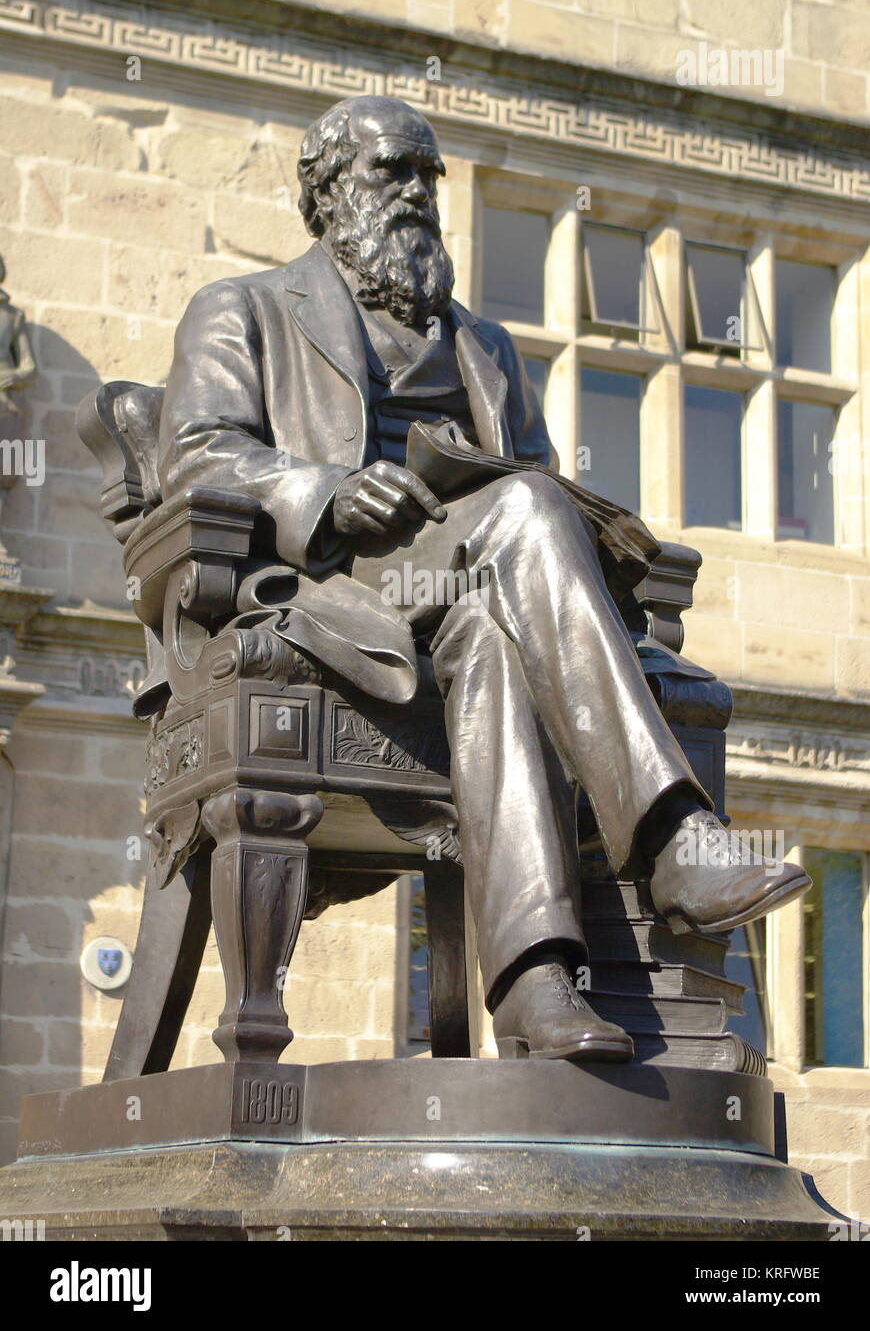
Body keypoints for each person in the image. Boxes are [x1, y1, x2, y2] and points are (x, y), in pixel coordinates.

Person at [159, 96, 809, 1063]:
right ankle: (672, 836)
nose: (418, 193)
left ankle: (535, 981)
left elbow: (533, 484)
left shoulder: (486, 347)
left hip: (466, 595)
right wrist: (326, 492)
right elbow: (199, 455)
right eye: (393, 171)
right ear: (329, 193)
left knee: (496, 628)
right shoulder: (243, 307)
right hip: (331, 594)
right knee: (527, 517)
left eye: (429, 175)